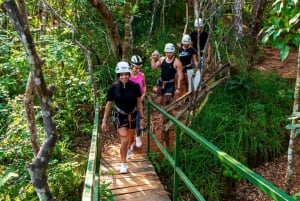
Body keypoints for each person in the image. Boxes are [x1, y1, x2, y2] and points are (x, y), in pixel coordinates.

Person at [101, 61, 145, 174]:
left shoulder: (135, 87)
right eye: (121, 75)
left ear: (129, 74)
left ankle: (129, 148)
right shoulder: (113, 88)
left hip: (133, 114)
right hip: (120, 116)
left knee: (130, 137)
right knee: (124, 140)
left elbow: (139, 104)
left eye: (126, 74)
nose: (124, 76)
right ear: (118, 76)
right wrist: (104, 120)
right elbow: (108, 105)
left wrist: (143, 118)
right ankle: (124, 163)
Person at [129, 55, 146, 148]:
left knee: (139, 120)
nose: (137, 70)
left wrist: (143, 95)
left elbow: (144, 86)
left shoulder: (142, 75)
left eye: (139, 68)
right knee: (130, 122)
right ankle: (131, 141)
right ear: (131, 66)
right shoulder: (127, 75)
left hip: (140, 101)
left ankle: (138, 136)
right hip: (130, 102)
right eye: (136, 68)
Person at [190, 18, 211, 90]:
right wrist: (194, 53)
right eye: (196, 27)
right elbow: (191, 46)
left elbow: (208, 46)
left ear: (202, 27)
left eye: (199, 27)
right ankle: (194, 85)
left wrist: (208, 56)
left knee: (202, 68)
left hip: (203, 53)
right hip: (194, 54)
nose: (197, 29)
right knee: (194, 68)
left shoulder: (205, 34)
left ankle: (202, 83)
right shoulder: (192, 34)